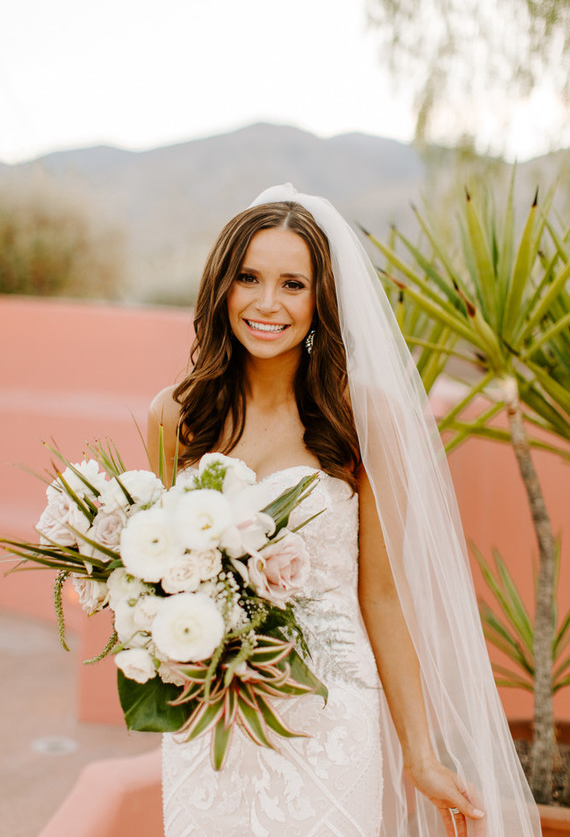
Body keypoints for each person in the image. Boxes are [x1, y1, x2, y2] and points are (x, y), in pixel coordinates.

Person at [148, 184, 540, 837]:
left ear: (321, 300)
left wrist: (420, 753)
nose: (267, 302)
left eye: (293, 284)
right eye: (249, 277)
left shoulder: (363, 417)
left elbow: (381, 596)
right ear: (222, 287)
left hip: (327, 710)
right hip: (211, 712)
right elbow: (160, 574)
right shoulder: (177, 414)